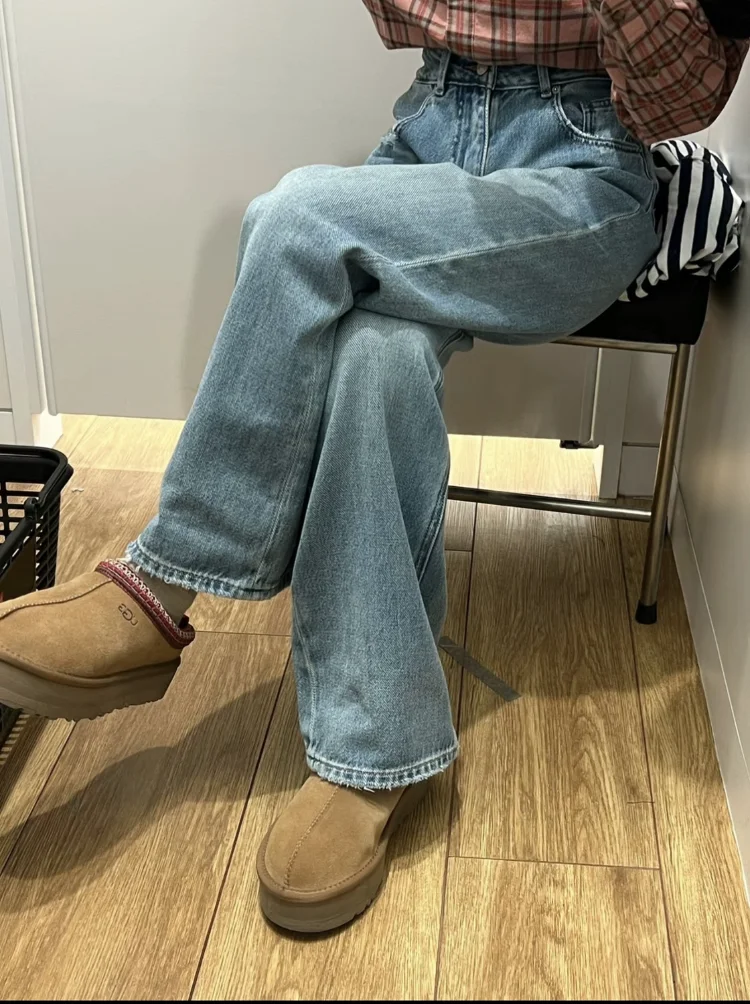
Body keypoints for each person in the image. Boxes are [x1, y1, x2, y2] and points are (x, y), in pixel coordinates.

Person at [0, 1, 746, 934]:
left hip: (584, 172)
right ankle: (373, 747)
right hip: (428, 135)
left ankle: (161, 587)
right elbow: (398, 18)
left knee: (294, 217)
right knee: (374, 355)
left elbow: (683, 101)